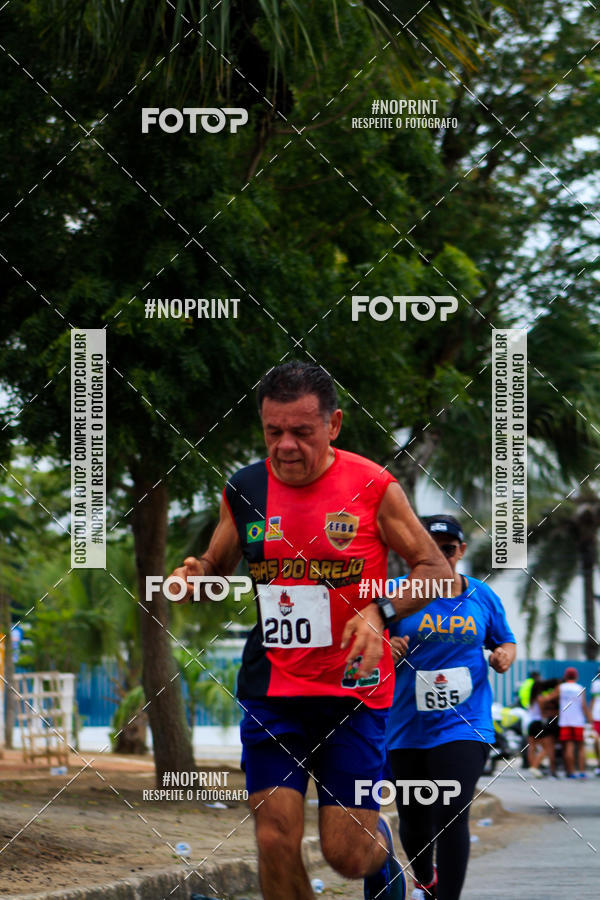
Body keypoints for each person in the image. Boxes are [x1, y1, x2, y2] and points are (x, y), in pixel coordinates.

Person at [167, 362, 452, 900]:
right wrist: (196, 575)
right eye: (274, 431)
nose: (286, 446)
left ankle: (383, 855)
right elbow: (215, 564)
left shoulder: (372, 485)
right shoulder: (245, 488)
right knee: (275, 838)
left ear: (334, 424)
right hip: (272, 688)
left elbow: (438, 573)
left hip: (355, 692)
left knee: (345, 854)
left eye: (302, 431)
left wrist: (381, 612)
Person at [386, 514, 516, 900]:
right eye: (431, 548)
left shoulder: (481, 595)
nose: (440, 556)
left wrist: (504, 655)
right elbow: (367, 643)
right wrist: (386, 649)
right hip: (406, 725)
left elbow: (505, 640)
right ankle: (425, 879)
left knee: (453, 809)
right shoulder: (394, 593)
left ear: (460, 551)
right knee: (413, 819)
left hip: (465, 723)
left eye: (448, 549)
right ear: (415, 552)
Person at [543, 667, 591, 779]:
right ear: (576, 676)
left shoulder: (561, 687)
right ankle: (582, 772)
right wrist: (589, 719)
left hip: (565, 721)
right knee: (580, 747)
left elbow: (549, 698)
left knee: (568, 746)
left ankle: (571, 772)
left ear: (565, 676)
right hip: (578, 721)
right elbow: (583, 706)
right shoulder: (580, 688)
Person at [527, 678, 560, 778]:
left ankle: (532, 767)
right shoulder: (540, 698)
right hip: (537, 723)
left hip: (529, 723)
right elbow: (543, 713)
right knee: (546, 748)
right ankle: (535, 766)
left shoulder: (531, 698)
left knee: (531, 747)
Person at [591, 667, 600, 776]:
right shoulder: (596, 684)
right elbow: (593, 700)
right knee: (596, 741)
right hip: (597, 716)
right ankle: (598, 764)